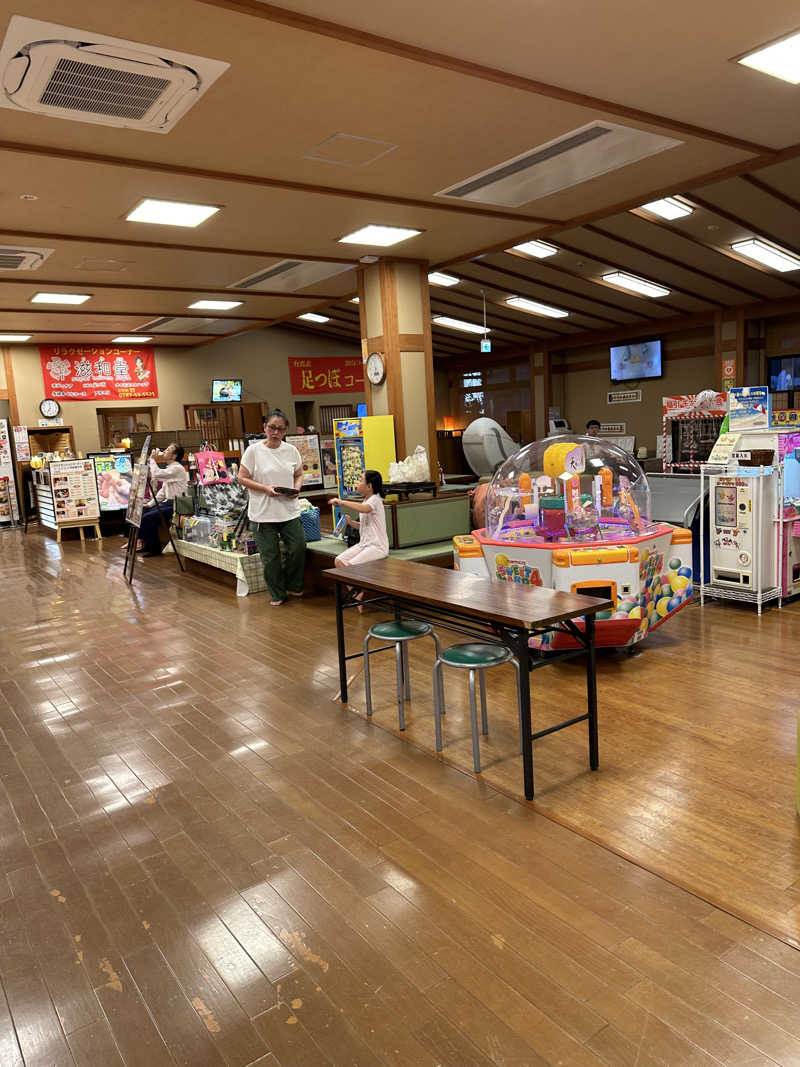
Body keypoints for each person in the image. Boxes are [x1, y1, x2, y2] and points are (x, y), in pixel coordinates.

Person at [239, 410, 305, 606]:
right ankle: (277, 593)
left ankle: (293, 585)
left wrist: (296, 488)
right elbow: (242, 478)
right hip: (262, 512)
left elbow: (299, 474)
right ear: (264, 428)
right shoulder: (253, 451)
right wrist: (265, 489)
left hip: (288, 509)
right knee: (270, 557)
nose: (275, 432)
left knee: (298, 547)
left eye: (280, 429)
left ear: (285, 431)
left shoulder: (291, 450)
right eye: (271, 428)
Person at [331, 470, 389, 568]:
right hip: (363, 544)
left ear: (369, 486)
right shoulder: (366, 500)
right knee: (339, 561)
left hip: (377, 547)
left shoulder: (375, 499)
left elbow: (364, 509)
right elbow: (363, 526)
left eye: (361, 480)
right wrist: (351, 522)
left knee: (351, 566)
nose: (358, 483)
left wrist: (342, 502)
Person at [138, 443, 188, 557]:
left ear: (174, 456)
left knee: (148, 518)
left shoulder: (177, 468)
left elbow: (156, 474)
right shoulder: (170, 468)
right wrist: (150, 505)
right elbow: (162, 492)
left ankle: (155, 548)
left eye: (168, 450)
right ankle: (147, 544)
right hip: (168, 503)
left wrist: (152, 459)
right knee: (142, 512)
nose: (164, 451)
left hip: (176, 506)